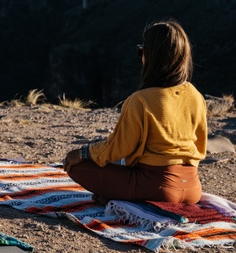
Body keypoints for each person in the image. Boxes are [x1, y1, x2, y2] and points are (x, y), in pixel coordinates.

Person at [64, 20, 207, 204]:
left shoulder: (140, 100)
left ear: (151, 57)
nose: (141, 57)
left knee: (77, 167)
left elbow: (117, 148)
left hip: (157, 188)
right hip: (193, 189)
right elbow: (200, 144)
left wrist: (82, 153)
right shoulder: (196, 96)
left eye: (142, 51)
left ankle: (122, 197)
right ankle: (118, 195)